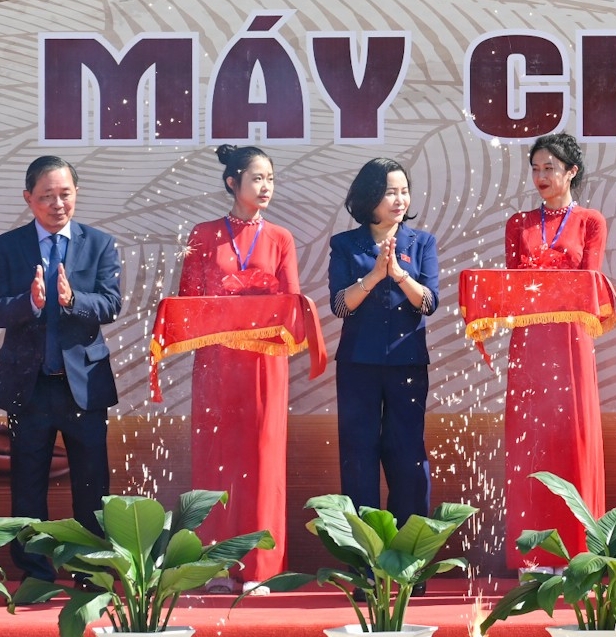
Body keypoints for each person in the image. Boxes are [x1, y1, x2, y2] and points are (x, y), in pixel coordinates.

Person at [179, 144, 300, 585]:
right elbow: (187, 304)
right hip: (216, 360)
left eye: (270, 178)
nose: (266, 187)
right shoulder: (203, 234)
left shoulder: (280, 238)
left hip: (265, 362)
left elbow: (291, 306)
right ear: (233, 182)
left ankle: (261, 568)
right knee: (217, 458)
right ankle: (214, 564)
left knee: (263, 460)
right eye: (257, 178)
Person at [0, 156, 122, 582]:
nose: (57, 204)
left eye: (64, 194)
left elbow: (111, 303)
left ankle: (90, 573)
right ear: (28, 199)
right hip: (27, 389)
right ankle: (35, 575)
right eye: (46, 196)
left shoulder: (99, 243)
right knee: (28, 487)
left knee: (91, 488)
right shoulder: (7, 247)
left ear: (76, 193)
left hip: (83, 386)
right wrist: (29, 303)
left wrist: (73, 301)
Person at [502, 132, 606, 570]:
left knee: (572, 439)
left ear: (571, 172)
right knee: (531, 444)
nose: (542, 176)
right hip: (528, 341)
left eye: (551, 168)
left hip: (570, 341)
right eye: (536, 168)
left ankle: (579, 554)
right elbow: (511, 287)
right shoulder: (518, 223)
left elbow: (591, 282)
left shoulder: (591, 221)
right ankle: (533, 555)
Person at [328, 158, 439, 526]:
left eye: (404, 191)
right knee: (358, 456)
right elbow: (340, 306)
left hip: (407, 364)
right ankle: (366, 566)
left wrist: (399, 275)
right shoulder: (345, 244)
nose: (399, 199)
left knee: (408, 455)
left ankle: (409, 562)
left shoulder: (421, 242)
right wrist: (375, 276)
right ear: (369, 195)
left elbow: (429, 302)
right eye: (390, 191)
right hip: (358, 366)